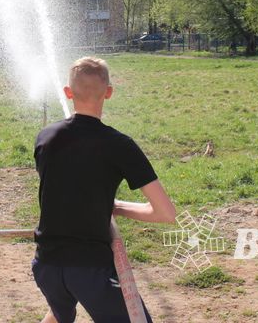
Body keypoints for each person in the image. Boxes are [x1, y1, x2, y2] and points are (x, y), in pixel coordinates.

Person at [32, 56, 176, 323]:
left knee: (58, 314)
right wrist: (118, 207)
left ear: (67, 92)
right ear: (109, 93)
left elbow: (65, 188)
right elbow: (165, 213)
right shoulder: (120, 145)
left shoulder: (45, 137)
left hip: (46, 265)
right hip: (90, 267)